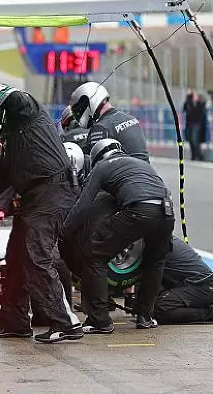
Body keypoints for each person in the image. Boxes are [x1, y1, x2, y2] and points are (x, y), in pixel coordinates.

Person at [0, 84, 82, 344]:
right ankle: (15, 323)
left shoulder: (27, 110)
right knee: (15, 259)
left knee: (36, 259)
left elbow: (14, 96)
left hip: (51, 193)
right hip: (33, 199)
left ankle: (66, 323)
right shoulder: (13, 140)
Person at [63, 138, 174, 334]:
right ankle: (145, 317)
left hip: (139, 210)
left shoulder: (102, 167)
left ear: (98, 157)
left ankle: (100, 321)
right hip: (166, 213)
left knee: (95, 255)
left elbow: (83, 206)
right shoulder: (140, 164)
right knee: (156, 261)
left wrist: (63, 231)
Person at [70, 82, 149, 162]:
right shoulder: (131, 119)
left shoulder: (101, 128)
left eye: (81, 109)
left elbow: (96, 166)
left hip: (126, 173)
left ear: (90, 102)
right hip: (149, 171)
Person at [183, 90, 206, 161]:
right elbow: (184, 108)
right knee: (190, 140)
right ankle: (193, 155)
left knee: (195, 140)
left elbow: (201, 109)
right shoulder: (189, 103)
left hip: (197, 124)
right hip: (190, 124)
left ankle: (198, 155)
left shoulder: (200, 103)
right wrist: (188, 97)